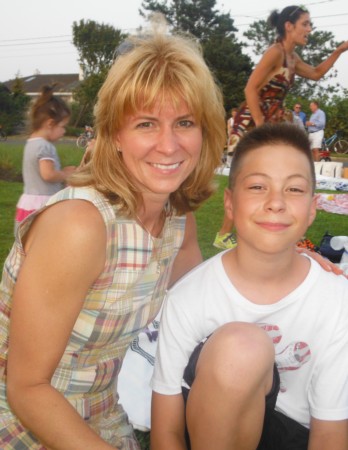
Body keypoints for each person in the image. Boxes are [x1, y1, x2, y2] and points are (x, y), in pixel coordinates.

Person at [0, 23, 227, 449]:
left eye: (184, 122)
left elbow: (206, 308)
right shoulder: (80, 226)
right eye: (145, 124)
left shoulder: (178, 219)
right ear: (116, 135)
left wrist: (296, 269)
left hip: (102, 415)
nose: (168, 145)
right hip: (22, 423)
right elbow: (25, 388)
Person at [151, 122, 348, 450]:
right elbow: (166, 432)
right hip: (212, 428)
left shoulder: (337, 300)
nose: (276, 202)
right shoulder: (189, 297)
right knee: (241, 347)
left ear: (313, 208)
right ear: (230, 204)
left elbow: (329, 433)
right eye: (258, 186)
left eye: (295, 189)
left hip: (293, 434)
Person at [213, 4, 348, 249]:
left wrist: (339, 50)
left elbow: (317, 73)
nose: (310, 29)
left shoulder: (292, 57)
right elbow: (250, 89)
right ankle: (225, 235)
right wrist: (262, 127)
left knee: (273, 178)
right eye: (305, 24)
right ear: (289, 26)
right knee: (248, 178)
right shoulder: (274, 52)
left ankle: (267, 231)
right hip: (255, 122)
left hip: (272, 121)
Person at [14, 85, 76, 231]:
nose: (64, 131)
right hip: (42, 204)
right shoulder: (45, 146)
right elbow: (48, 174)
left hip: (28, 203)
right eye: (62, 126)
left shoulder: (31, 143)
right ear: (50, 124)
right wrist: (65, 174)